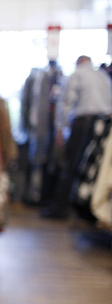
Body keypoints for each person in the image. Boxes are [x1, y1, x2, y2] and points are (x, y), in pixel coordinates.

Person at [41, 55, 112, 219]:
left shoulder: (77, 75)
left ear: (79, 62)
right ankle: (87, 208)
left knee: (70, 165)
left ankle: (60, 208)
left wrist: (60, 128)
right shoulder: (103, 76)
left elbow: (66, 103)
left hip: (83, 123)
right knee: (94, 168)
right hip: (104, 124)